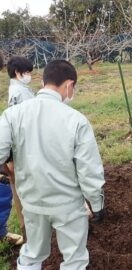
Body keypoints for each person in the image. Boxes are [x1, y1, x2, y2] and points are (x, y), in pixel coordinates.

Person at [0, 59, 105, 270]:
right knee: (74, 259)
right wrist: (97, 204)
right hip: (67, 205)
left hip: (32, 201)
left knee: (32, 253)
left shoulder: (12, 115)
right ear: (69, 85)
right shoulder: (76, 120)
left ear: (43, 82)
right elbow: (88, 171)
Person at [0, 56, 34, 245]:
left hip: (14, 148)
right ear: (17, 73)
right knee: (10, 190)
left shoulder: (20, 89)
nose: (29, 76)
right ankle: (26, 229)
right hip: (19, 147)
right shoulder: (18, 93)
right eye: (27, 73)